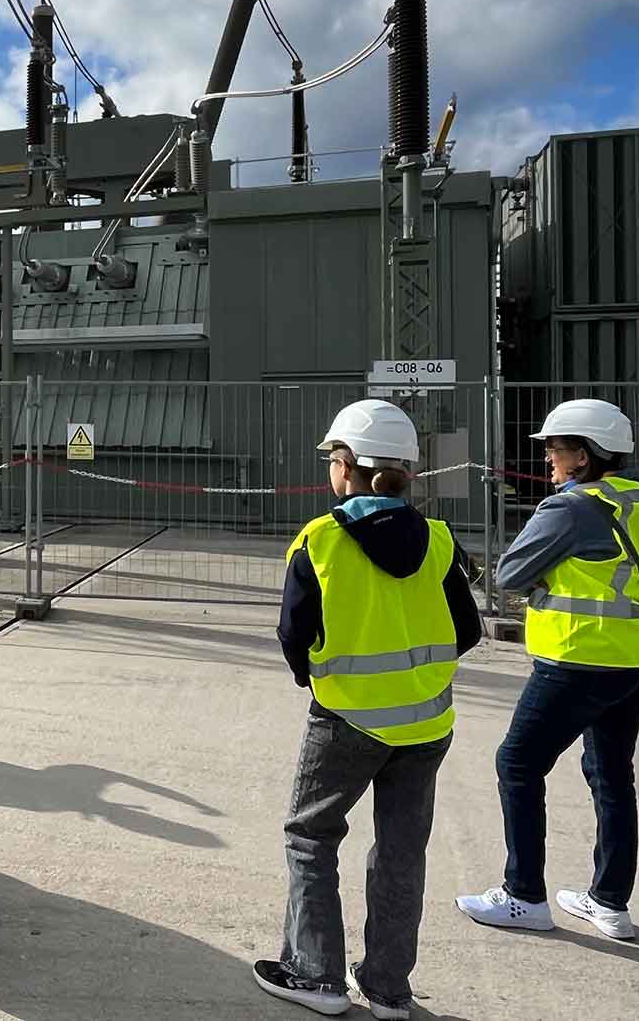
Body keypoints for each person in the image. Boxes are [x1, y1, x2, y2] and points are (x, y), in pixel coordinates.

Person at [253, 400, 480, 1020]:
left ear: (347, 465)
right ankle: (388, 990)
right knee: (402, 852)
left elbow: (293, 633)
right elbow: (467, 630)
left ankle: (316, 976)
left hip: (346, 721)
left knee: (311, 837)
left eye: (333, 458)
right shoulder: (440, 540)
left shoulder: (321, 541)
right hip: (426, 724)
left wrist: (316, 676)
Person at [458, 399, 639, 942]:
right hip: (635, 662)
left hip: (576, 660)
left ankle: (523, 895)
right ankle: (610, 903)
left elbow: (510, 573)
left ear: (585, 456)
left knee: (517, 763)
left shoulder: (569, 508)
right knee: (612, 774)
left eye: (556, 448)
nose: (548, 457)